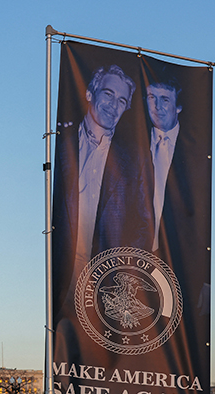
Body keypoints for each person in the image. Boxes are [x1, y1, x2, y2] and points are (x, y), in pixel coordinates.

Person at [52, 64, 153, 294]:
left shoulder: (136, 159)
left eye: (121, 101)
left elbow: (144, 226)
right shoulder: (59, 145)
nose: (113, 105)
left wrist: (120, 275)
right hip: (57, 280)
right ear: (90, 93)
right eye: (108, 94)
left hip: (105, 288)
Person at [144, 70, 211, 318]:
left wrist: (204, 277)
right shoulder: (131, 145)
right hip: (135, 258)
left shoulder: (198, 153)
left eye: (165, 99)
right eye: (152, 97)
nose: (157, 107)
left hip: (181, 263)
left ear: (178, 107)